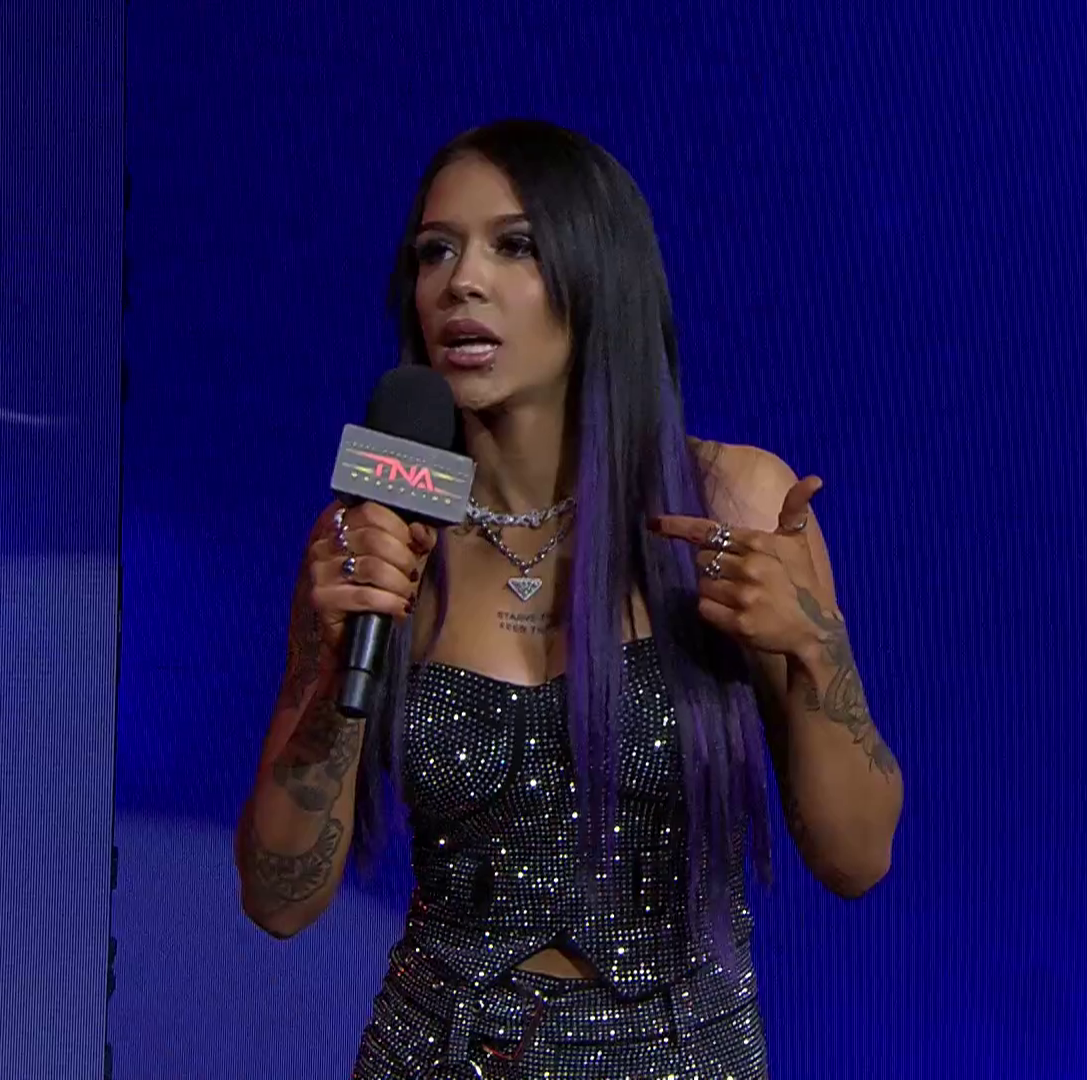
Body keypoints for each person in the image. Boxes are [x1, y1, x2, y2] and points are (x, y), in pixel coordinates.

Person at [235, 118, 902, 1079]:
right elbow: (279, 900)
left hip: (682, 1054)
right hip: (437, 1052)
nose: (461, 281)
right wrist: (335, 660)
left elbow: (857, 860)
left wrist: (813, 650)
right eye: (436, 251)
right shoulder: (378, 535)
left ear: (598, 276)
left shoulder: (730, 502)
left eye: (514, 245)